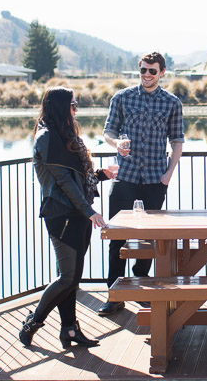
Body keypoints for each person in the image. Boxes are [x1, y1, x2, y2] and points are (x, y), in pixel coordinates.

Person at [20, 86, 115, 348]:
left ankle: (70, 330)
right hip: (62, 214)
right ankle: (32, 323)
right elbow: (63, 182)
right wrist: (90, 211)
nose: (76, 109)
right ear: (62, 107)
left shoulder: (64, 135)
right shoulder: (47, 137)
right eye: (73, 105)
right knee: (68, 277)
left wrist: (101, 175)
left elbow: (77, 178)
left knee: (71, 278)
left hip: (78, 213)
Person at [97, 52, 185, 316]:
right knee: (116, 237)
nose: (147, 75)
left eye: (152, 71)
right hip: (125, 176)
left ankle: (142, 288)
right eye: (143, 70)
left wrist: (169, 174)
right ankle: (114, 295)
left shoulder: (172, 102)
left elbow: (177, 141)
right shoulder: (122, 97)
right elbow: (108, 132)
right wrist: (116, 144)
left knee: (149, 239)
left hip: (155, 179)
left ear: (162, 73)